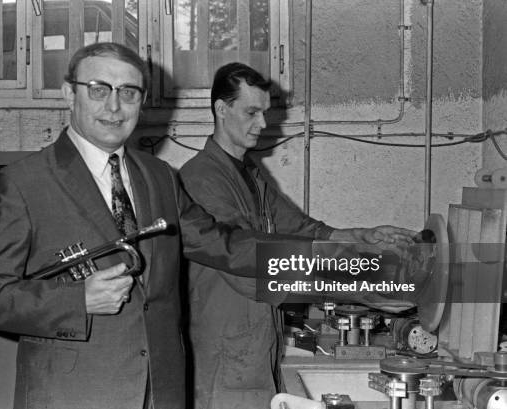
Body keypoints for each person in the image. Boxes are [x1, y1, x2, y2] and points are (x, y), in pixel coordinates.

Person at [0, 43, 413, 409]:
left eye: (129, 93)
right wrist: (76, 300)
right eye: (99, 89)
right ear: (67, 93)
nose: (115, 107)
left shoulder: (158, 177)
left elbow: (225, 245)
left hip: (164, 388)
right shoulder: (24, 182)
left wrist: (348, 265)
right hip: (77, 390)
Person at [178, 62, 415, 409]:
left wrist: (364, 236)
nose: (262, 124)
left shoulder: (249, 174)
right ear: (221, 109)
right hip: (225, 354)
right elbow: (248, 267)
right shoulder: (202, 179)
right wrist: (361, 288)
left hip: (256, 347)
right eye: (251, 112)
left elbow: (304, 230)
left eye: (265, 113)